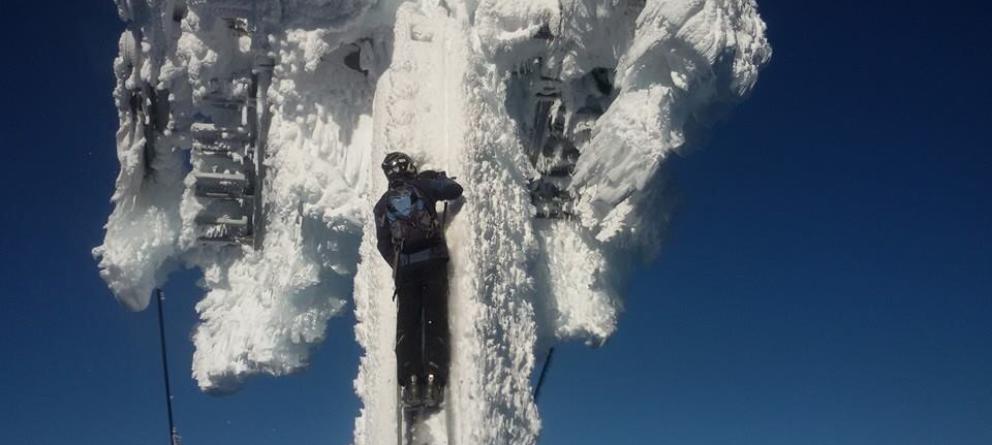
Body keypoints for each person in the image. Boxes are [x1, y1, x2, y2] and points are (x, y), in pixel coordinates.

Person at [374, 152, 463, 407]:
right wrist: (435, 179)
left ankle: (410, 382)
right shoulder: (422, 186)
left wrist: (398, 263)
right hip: (433, 261)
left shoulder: (382, 205)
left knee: (408, 323)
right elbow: (455, 190)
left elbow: (383, 244)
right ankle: (434, 379)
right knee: (435, 318)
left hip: (406, 270)